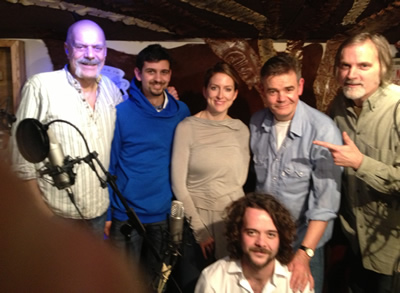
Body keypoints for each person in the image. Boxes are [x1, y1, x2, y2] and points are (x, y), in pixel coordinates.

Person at [10, 19, 123, 238]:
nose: (90, 54)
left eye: (97, 47)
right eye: (81, 46)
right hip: (57, 217)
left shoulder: (112, 90)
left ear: (105, 52)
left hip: (98, 214)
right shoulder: (41, 86)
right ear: (67, 49)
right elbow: (21, 164)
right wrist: (45, 216)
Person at [313, 32, 400, 293]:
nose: (352, 74)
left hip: (391, 252)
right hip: (353, 242)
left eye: (363, 65)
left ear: (383, 68)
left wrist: (362, 163)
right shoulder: (339, 106)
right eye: (345, 65)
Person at [249, 53, 342, 293]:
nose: (281, 98)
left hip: (304, 244)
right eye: (272, 91)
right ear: (262, 90)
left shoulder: (323, 130)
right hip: (264, 241)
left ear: (300, 86)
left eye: (288, 89)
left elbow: (325, 204)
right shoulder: (256, 123)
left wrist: (304, 254)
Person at [106, 44, 190, 290]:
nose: (158, 78)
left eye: (163, 72)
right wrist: (110, 214)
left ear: (170, 75)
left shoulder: (181, 111)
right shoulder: (121, 113)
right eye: (151, 72)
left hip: (163, 216)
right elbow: (110, 165)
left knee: (156, 286)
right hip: (126, 215)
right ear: (139, 73)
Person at [170, 62, 250, 291]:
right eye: (214, 87)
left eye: (227, 89)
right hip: (197, 224)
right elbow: (179, 184)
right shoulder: (187, 127)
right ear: (205, 90)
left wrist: (237, 226)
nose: (220, 95)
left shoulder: (241, 130)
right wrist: (201, 231)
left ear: (235, 94)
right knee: (195, 286)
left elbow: (239, 182)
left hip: (231, 222)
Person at [195, 192, 314, 293]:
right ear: (237, 234)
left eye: (270, 234)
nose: (261, 243)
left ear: (281, 239)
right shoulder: (213, 279)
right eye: (252, 232)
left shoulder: (297, 283)